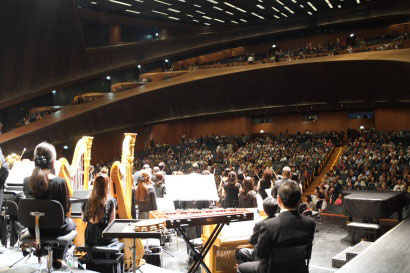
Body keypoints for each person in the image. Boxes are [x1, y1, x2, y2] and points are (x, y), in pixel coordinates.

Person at [238, 181, 316, 273]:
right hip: (298, 269)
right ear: (299, 201)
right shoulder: (310, 223)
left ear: (279, 200)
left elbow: (260, 254)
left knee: (240, 267)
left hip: (272, 270)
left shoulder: (269, 225)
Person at [23, 142, 76, 269]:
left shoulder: (26, 181)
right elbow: (65, 210)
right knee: (72, 223)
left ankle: (43, 253)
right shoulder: (60, 182)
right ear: (53, 162)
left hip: (33, 228)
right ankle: (58, 256)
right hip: (56, 228)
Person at [236, 197, 278, 265]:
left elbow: (252, 241)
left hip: (261, 257)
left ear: (264, 209)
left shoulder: (260, 224)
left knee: (239, 252)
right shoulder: (280, 221)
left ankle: (249, 268)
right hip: (275, 257)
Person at [82, 176, 116, 246]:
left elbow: (83, 219)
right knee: (116, 240)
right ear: (106, 186)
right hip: (103, 238)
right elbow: (111, 222)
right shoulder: (110, 201)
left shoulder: (87, 200)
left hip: (89, 238)